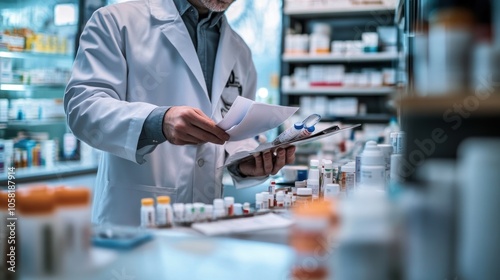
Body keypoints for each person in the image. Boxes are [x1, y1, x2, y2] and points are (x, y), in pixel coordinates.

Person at [64, 0, 296, 226]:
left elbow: (234, 132)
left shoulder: (240, 50)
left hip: (207, 220)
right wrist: (158, 122)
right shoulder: (116, 21)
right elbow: (83, 107)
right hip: (133, 218)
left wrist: (243, 163)